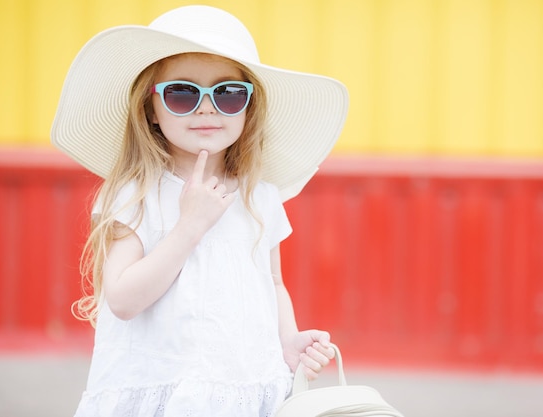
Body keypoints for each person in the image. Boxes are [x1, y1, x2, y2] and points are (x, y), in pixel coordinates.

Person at [51, 5, 349, 417]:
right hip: (165, 390)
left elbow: (273, 283)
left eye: (228, 93)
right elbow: (121, 299)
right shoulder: (136, 194)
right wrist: (188, 226)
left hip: (243, 386)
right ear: (151, 110)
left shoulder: (257, 196)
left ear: (248, 107)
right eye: (182, 92)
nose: (206, 108)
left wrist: (287, 339)